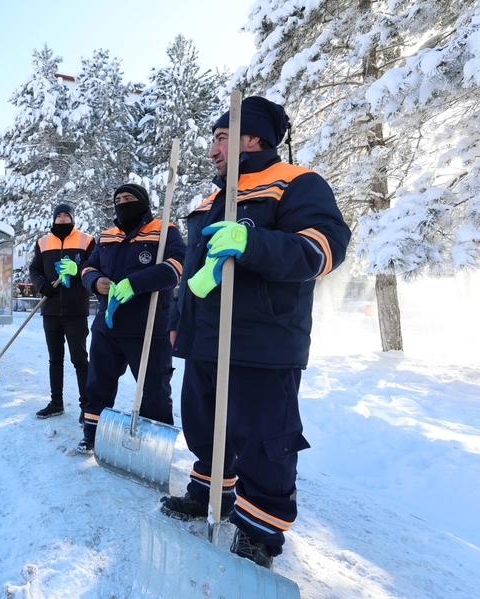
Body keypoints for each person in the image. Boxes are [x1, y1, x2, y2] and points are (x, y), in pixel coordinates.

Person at [162, 96, 351, 569]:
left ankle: (259, 531)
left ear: (253, 138)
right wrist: (177, 322)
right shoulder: (211, 200)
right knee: (204, 426)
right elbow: (195, 270)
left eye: (221, 138)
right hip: (206, 338)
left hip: (263, 340)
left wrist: (252, 241)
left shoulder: (296, 183)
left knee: (264, 439)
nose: (212, 150)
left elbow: (325, 248)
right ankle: (210, 493)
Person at [77, 184, 186, 452]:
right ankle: (92, 434)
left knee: (155, 390)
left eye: (129, 198)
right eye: (118, 199)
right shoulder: (107, 236)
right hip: (108, 325)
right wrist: (95, 281)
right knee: (98, 385)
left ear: (143, 202)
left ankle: (154, 446)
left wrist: (135, 284)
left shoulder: (164, 230)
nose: (122, 203)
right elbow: (87, 268)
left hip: (149, 326)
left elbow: (179, 265)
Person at [28, 203, 96, 421]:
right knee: (55, 359)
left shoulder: (86, 240)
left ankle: (87, 407)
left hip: (76, 310)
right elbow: (34, 269)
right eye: (59, 214)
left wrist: (77, 270)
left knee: (80, 360)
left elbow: (94, 268)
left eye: (67, 214)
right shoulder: (43, 242)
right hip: (50, 309)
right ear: (54, 218)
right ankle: (56, 402)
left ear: (72, 218)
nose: (63, 217)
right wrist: (42, 285)